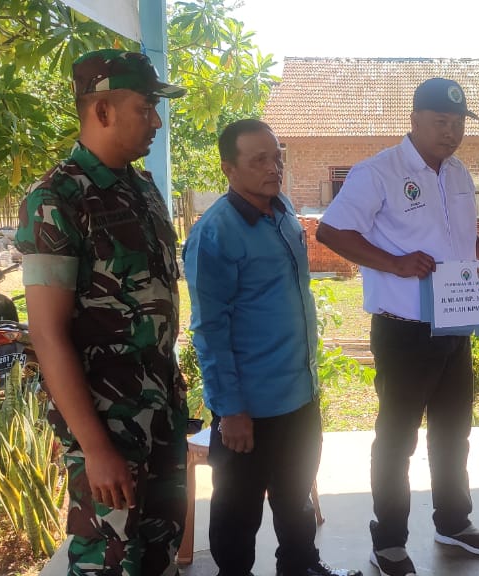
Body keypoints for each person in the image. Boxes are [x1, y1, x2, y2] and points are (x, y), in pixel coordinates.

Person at [316, 77, 479, 576]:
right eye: (441, 122)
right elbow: (331, 231)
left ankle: (453, 521)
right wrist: (394, 263)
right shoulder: (378, 172)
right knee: (397, 438)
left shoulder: (458, 172)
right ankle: (388, 541)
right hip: (403, 329)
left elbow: (460, 238)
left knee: (453, 431)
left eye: (458, 123)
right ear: (415, 120)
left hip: (455, 323)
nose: (451, 132)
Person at [16, 49, 188, 575]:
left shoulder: (143, 189)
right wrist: (94, 447)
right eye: (145, 107)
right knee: (108, 560)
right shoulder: (56, 198)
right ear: (103, 110)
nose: (156, 121)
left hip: (160, 408)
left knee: (158, 552)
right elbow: (47, 334)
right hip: (109, 421)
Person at [183, 119, 359, 576]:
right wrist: (231, 410)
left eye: (276, 157)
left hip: (299, 395)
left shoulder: (282, 212)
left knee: (295, 495)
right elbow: (209, 330)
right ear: (229, 168)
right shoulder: (215, 233)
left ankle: (301, 566)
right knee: (237, 511)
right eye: (258, 160)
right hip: (250, 408)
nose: (272, 167)